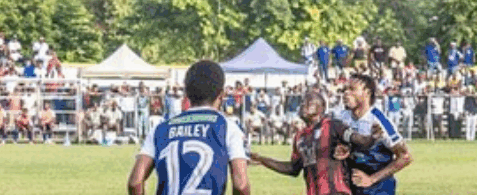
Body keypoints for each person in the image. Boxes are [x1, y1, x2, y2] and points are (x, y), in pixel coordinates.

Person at [126, 60, 251, 195]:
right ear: (221, 95)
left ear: (186, 93)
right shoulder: (227, 128)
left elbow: (135, 182)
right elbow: (241, 185)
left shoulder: (160, 129)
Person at [250, 90, 382, 195]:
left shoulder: (333, 126)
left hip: (336, 191)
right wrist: (262, 160)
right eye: (303, 102)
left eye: (309, 102)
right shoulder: (299, 136)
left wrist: (372, 137)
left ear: (321, 108)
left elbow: (359, 140)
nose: (303, 105)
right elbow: (293, 168)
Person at [337, 74, 413, 195]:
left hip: (379, 189)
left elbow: (405, 157)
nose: (346, 93)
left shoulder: (379, 121)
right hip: (353, 187)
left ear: (367, 93)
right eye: (345, 89)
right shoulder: (342, 117)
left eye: (352, 89)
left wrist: (372, 179)